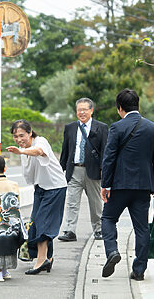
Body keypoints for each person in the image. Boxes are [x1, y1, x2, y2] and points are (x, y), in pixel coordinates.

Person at [99, 89, 154, 281]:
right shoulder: (153, 128)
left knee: (108, 219)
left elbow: (109, 158)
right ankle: (139, 270)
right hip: (144, 186)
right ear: (138, 105)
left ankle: (112, 251)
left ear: (120, 108)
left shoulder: (117, 127)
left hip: (119, 186)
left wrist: (106, 184)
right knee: (142, 228)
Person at [7, 120, 67, 275]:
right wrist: (22, 152)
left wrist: (21, 152)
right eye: (15, 136)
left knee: (43, 222)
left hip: (55, 187)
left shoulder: (40, 142)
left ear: (30, 132)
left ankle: (41, 260)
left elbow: (39, 151)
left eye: (22, 135)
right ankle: (49, 257)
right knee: (35, 222)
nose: (19, 139)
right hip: (40, 188)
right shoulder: (23, 150)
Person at [59, 98, 108, 242]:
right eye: (79, 110)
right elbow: (65, 150)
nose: (81, 112)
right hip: (74, 170)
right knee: (72, 202)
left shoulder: (101, 127)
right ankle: (70, 230)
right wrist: (61, 170)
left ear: (91, 110)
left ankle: (98, 230)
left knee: (95, 203)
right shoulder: (70, 127)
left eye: (85, 110)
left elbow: (105, 150)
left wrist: (103, 170)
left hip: (93, 171)